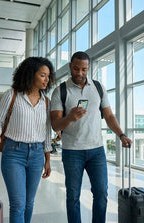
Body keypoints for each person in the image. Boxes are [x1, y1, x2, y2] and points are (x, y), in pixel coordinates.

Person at [50, 51, 132, 223]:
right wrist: (70, 117)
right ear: (70, 67)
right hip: (72, 151)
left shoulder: (98, 87)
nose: (80, 73)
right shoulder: (60, 91)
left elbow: (109, 116)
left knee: (101, 193)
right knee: (73, 196)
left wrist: (121, 134)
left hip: (97, 150)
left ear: (89, 69)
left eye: (84, 70)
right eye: (76, 69)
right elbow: (55, 125)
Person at [0, 57, 55, 223]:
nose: (47, 80)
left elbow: (47, 132)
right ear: (31, 74)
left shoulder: (46, 102)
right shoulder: (12, 95)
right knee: (18, 203)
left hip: (37, 154)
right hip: (13, 153)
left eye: (48, 76)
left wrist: (47, 159)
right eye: (43, 75)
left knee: (28, 202)